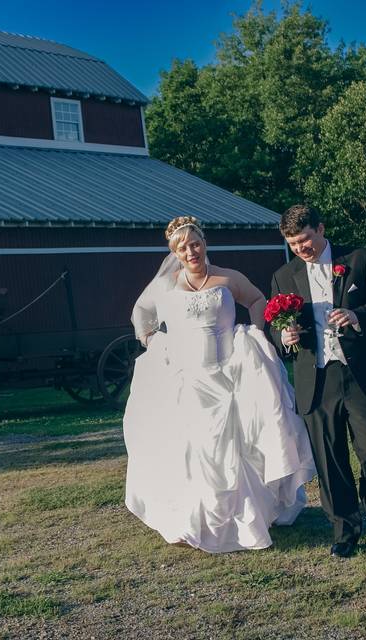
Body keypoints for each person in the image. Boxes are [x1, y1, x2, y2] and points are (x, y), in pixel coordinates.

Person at [123, 215, 316, 553]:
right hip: (187, 379)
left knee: (243, 444)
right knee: (192, 450)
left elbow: (257, 301)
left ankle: (249, 515)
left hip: (230, 371)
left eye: (194, 243)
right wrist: (156, 343)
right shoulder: (165, 285)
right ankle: (195, 519)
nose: (190, 251)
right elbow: (142, 312)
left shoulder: (228, 277)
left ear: (204, 243)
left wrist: (255, 332)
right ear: (175, 253)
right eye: (182, 248)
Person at [270, 204, 366, 559]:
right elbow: (274, 325)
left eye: (305, 239)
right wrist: (285, 338)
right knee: (329, 459)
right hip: (315, 377)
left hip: (359, 372)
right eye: (293, 243)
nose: (301, 249)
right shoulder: (284, 275)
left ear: (321, 229)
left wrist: (357, 314)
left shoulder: (359, 260)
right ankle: (345, 529)